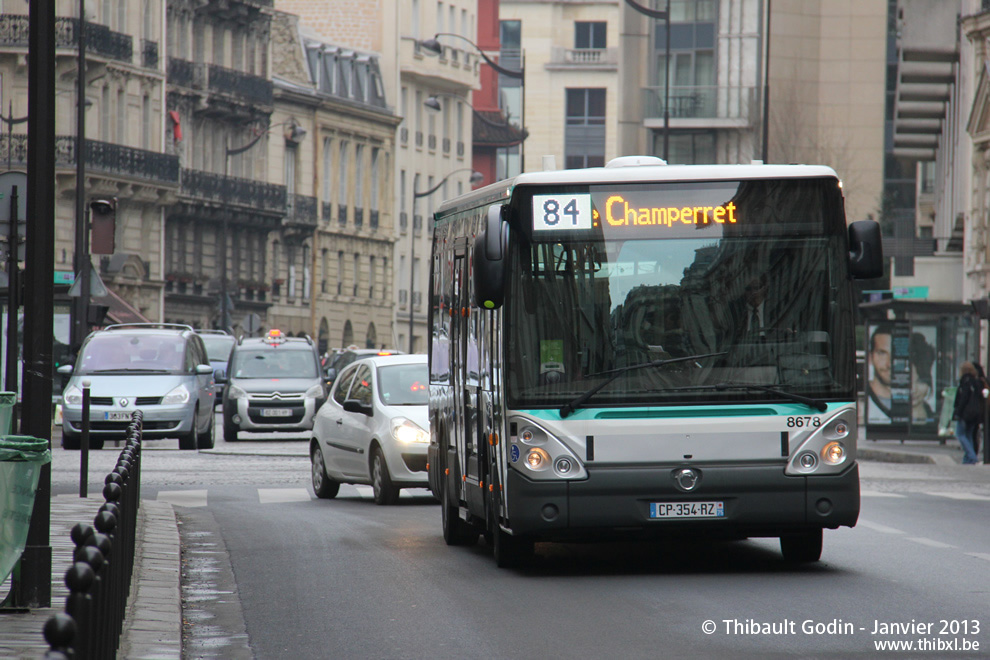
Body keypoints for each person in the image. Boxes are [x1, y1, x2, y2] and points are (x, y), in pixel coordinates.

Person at [952, 362, 982, 464]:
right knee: (968, 435)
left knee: (960, 434)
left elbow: (963, 398)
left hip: (965, 413)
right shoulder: (976, 382)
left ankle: (972, 456)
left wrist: (958, 412)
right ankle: (968, 459)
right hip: (975, 414)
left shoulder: (965, 381)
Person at [867, 324, 893, 423]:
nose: (889, 364)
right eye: (882, 353)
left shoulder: (916, 401)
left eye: (895, 353)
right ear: (870, 357)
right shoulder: (866, 402)